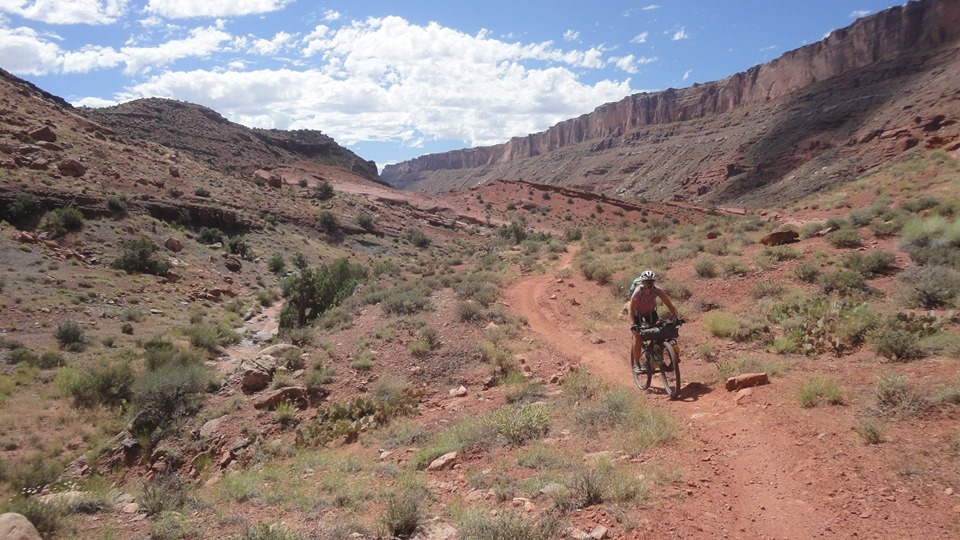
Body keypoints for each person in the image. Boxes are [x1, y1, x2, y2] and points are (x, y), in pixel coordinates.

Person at [629, 270, 681, 372]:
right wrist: (633, 324)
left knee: (660, 333)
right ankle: (636, 364)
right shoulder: (638, 292)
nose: (649, 283)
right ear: (642, 282)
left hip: (650, 313)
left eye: (651, 281)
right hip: (637, 314)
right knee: (637, 337)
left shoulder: (657, 290)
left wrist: (678, 317)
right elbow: (631, 309)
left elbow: (669, 304)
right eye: (647, 281)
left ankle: (658, 360)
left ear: (654, 282)